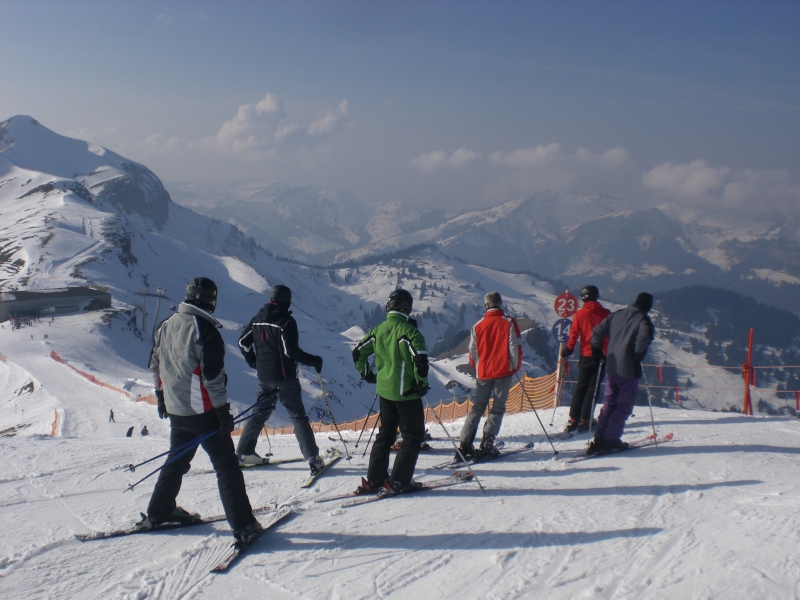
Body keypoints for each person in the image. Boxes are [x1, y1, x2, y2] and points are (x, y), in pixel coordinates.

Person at [142, 277, 261, 543]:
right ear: (211, 300)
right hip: (204, 413)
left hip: (177, 410)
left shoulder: (166, 325)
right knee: (226, 467)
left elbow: (155, 364)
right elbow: (213, 378)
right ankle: (244, 525)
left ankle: (159, 511)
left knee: (177, 461)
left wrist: (161, 397)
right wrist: (222, 412)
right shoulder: (205, 330)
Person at [237, 285, 325, 472]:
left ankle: (243, 453)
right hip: (285, 378)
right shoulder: (286, 321)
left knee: (259, 414)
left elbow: (242, 343)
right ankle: (312, 458)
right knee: (298, 416)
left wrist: (253, 361)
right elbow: (291, 352)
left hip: (264, 377)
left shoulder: (257, 319)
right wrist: (314, 360)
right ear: (287, 300)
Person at [352, 289, 430, 493]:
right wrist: (421, 383)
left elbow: (358, 352)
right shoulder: (411, 332)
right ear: (407, 308)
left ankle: (375, 479)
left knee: (385, 435)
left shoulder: (378, 330)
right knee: (413, 436)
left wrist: (366, 373)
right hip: (407, 393)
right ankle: (398, 482)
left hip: (384, 391)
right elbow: (420, 361)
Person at [455, 291, 522, 460]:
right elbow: (514, 347)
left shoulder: (478, 325)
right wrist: (514, 367)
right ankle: (487, 443)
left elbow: (472, 350)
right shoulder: (509, 322)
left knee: (478, 407)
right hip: (503, 371)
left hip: (483, 372)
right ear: (501, 303)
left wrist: (478, 366)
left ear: (486, 305)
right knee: (497, 408)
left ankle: (464, 445)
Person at [588, 292, 655, 454]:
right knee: (623, 405)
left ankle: (599, 438)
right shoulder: (643, 320)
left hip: (611, 366)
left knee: (609, 403)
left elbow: (597, 332)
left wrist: (596, 350)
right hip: (628, 368)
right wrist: (638, 354)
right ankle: (611, 440)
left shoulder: (616, 315)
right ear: (647, 307)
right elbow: (645, 336)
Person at [560, 285, 611, 433]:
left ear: (583, 298)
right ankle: (586, 419)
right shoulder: (606, 314)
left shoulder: (580, 314)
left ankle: (573, 419)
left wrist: (569, 349)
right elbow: (611, 334)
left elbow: (574, 333)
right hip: (601, 355)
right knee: (592, 388)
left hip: (585, 354)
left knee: (580, 386)